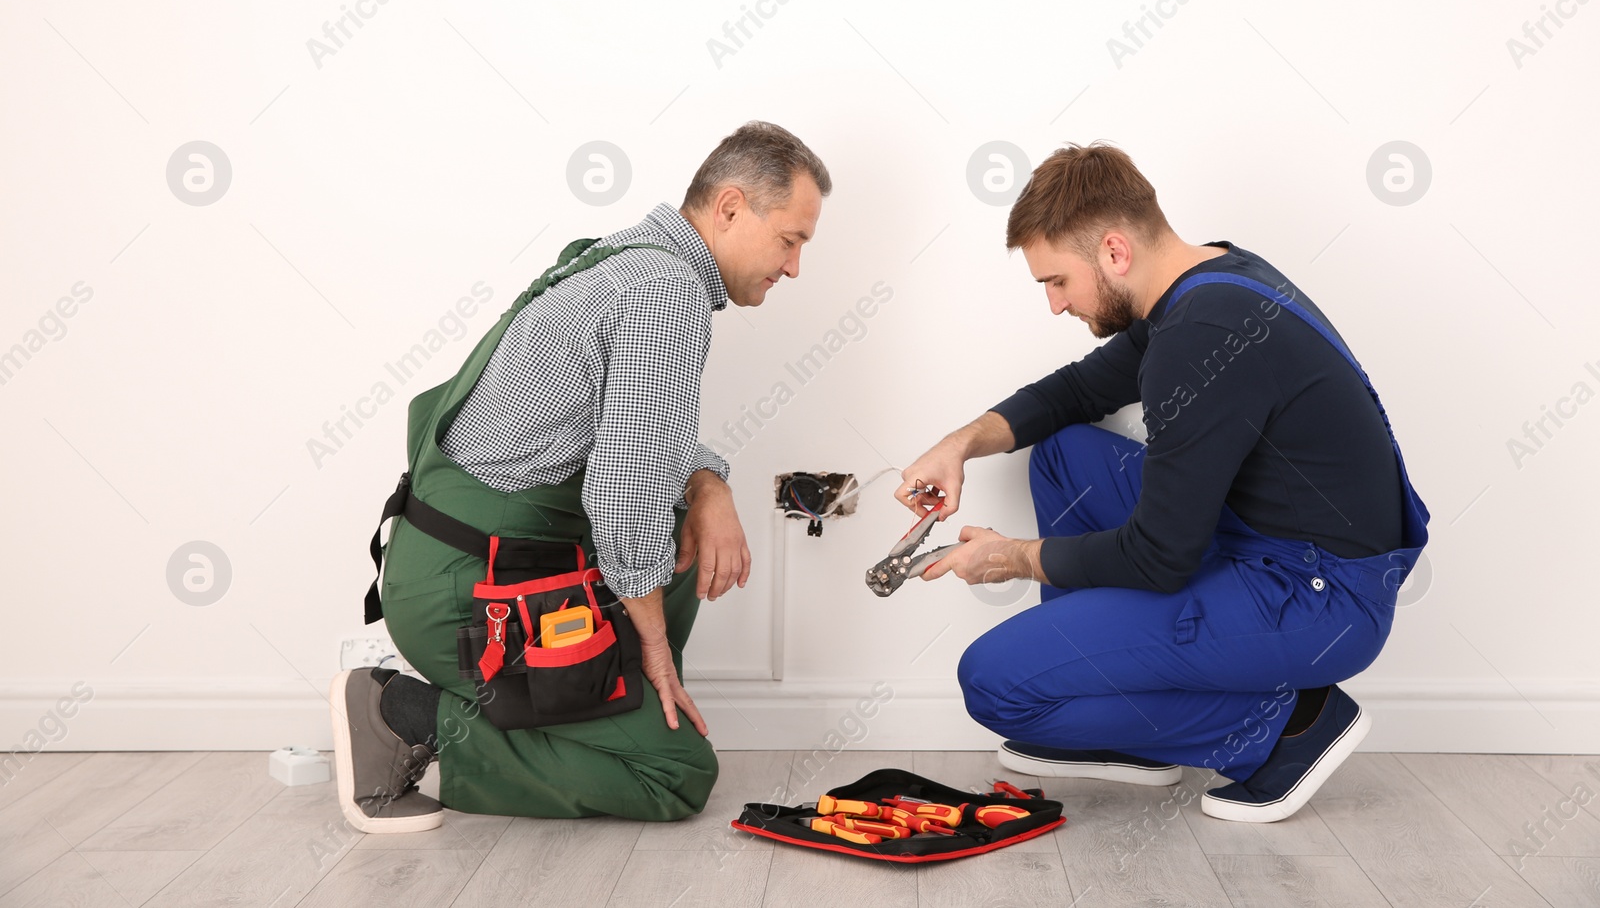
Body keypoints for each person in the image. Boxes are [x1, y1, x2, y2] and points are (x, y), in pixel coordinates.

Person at [901, 141, 1429, 823]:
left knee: (995, 686)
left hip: (1319, 597)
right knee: (1063, 452)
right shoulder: (1205, 280)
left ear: (1115, 251)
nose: (1055, 306)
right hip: (1271, 542)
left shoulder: (1202, 334)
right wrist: (959, 445)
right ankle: (1128, 724)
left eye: (1057, 281)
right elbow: (1077, 391)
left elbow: (1159, 555)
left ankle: (1291, 725)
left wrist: (1016, 555)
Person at [330, 121, 829, 832]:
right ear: (729, 208)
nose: (795, 266)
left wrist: (708, 484)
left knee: (677, 536)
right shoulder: (667, 293)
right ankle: (404, 719)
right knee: (675, 772)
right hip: (466, 593)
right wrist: (653, 642)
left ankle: (598, 704)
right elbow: (625, 496)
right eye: (791, 239)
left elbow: (635, 436)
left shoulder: (624, 259)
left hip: (447, 557)